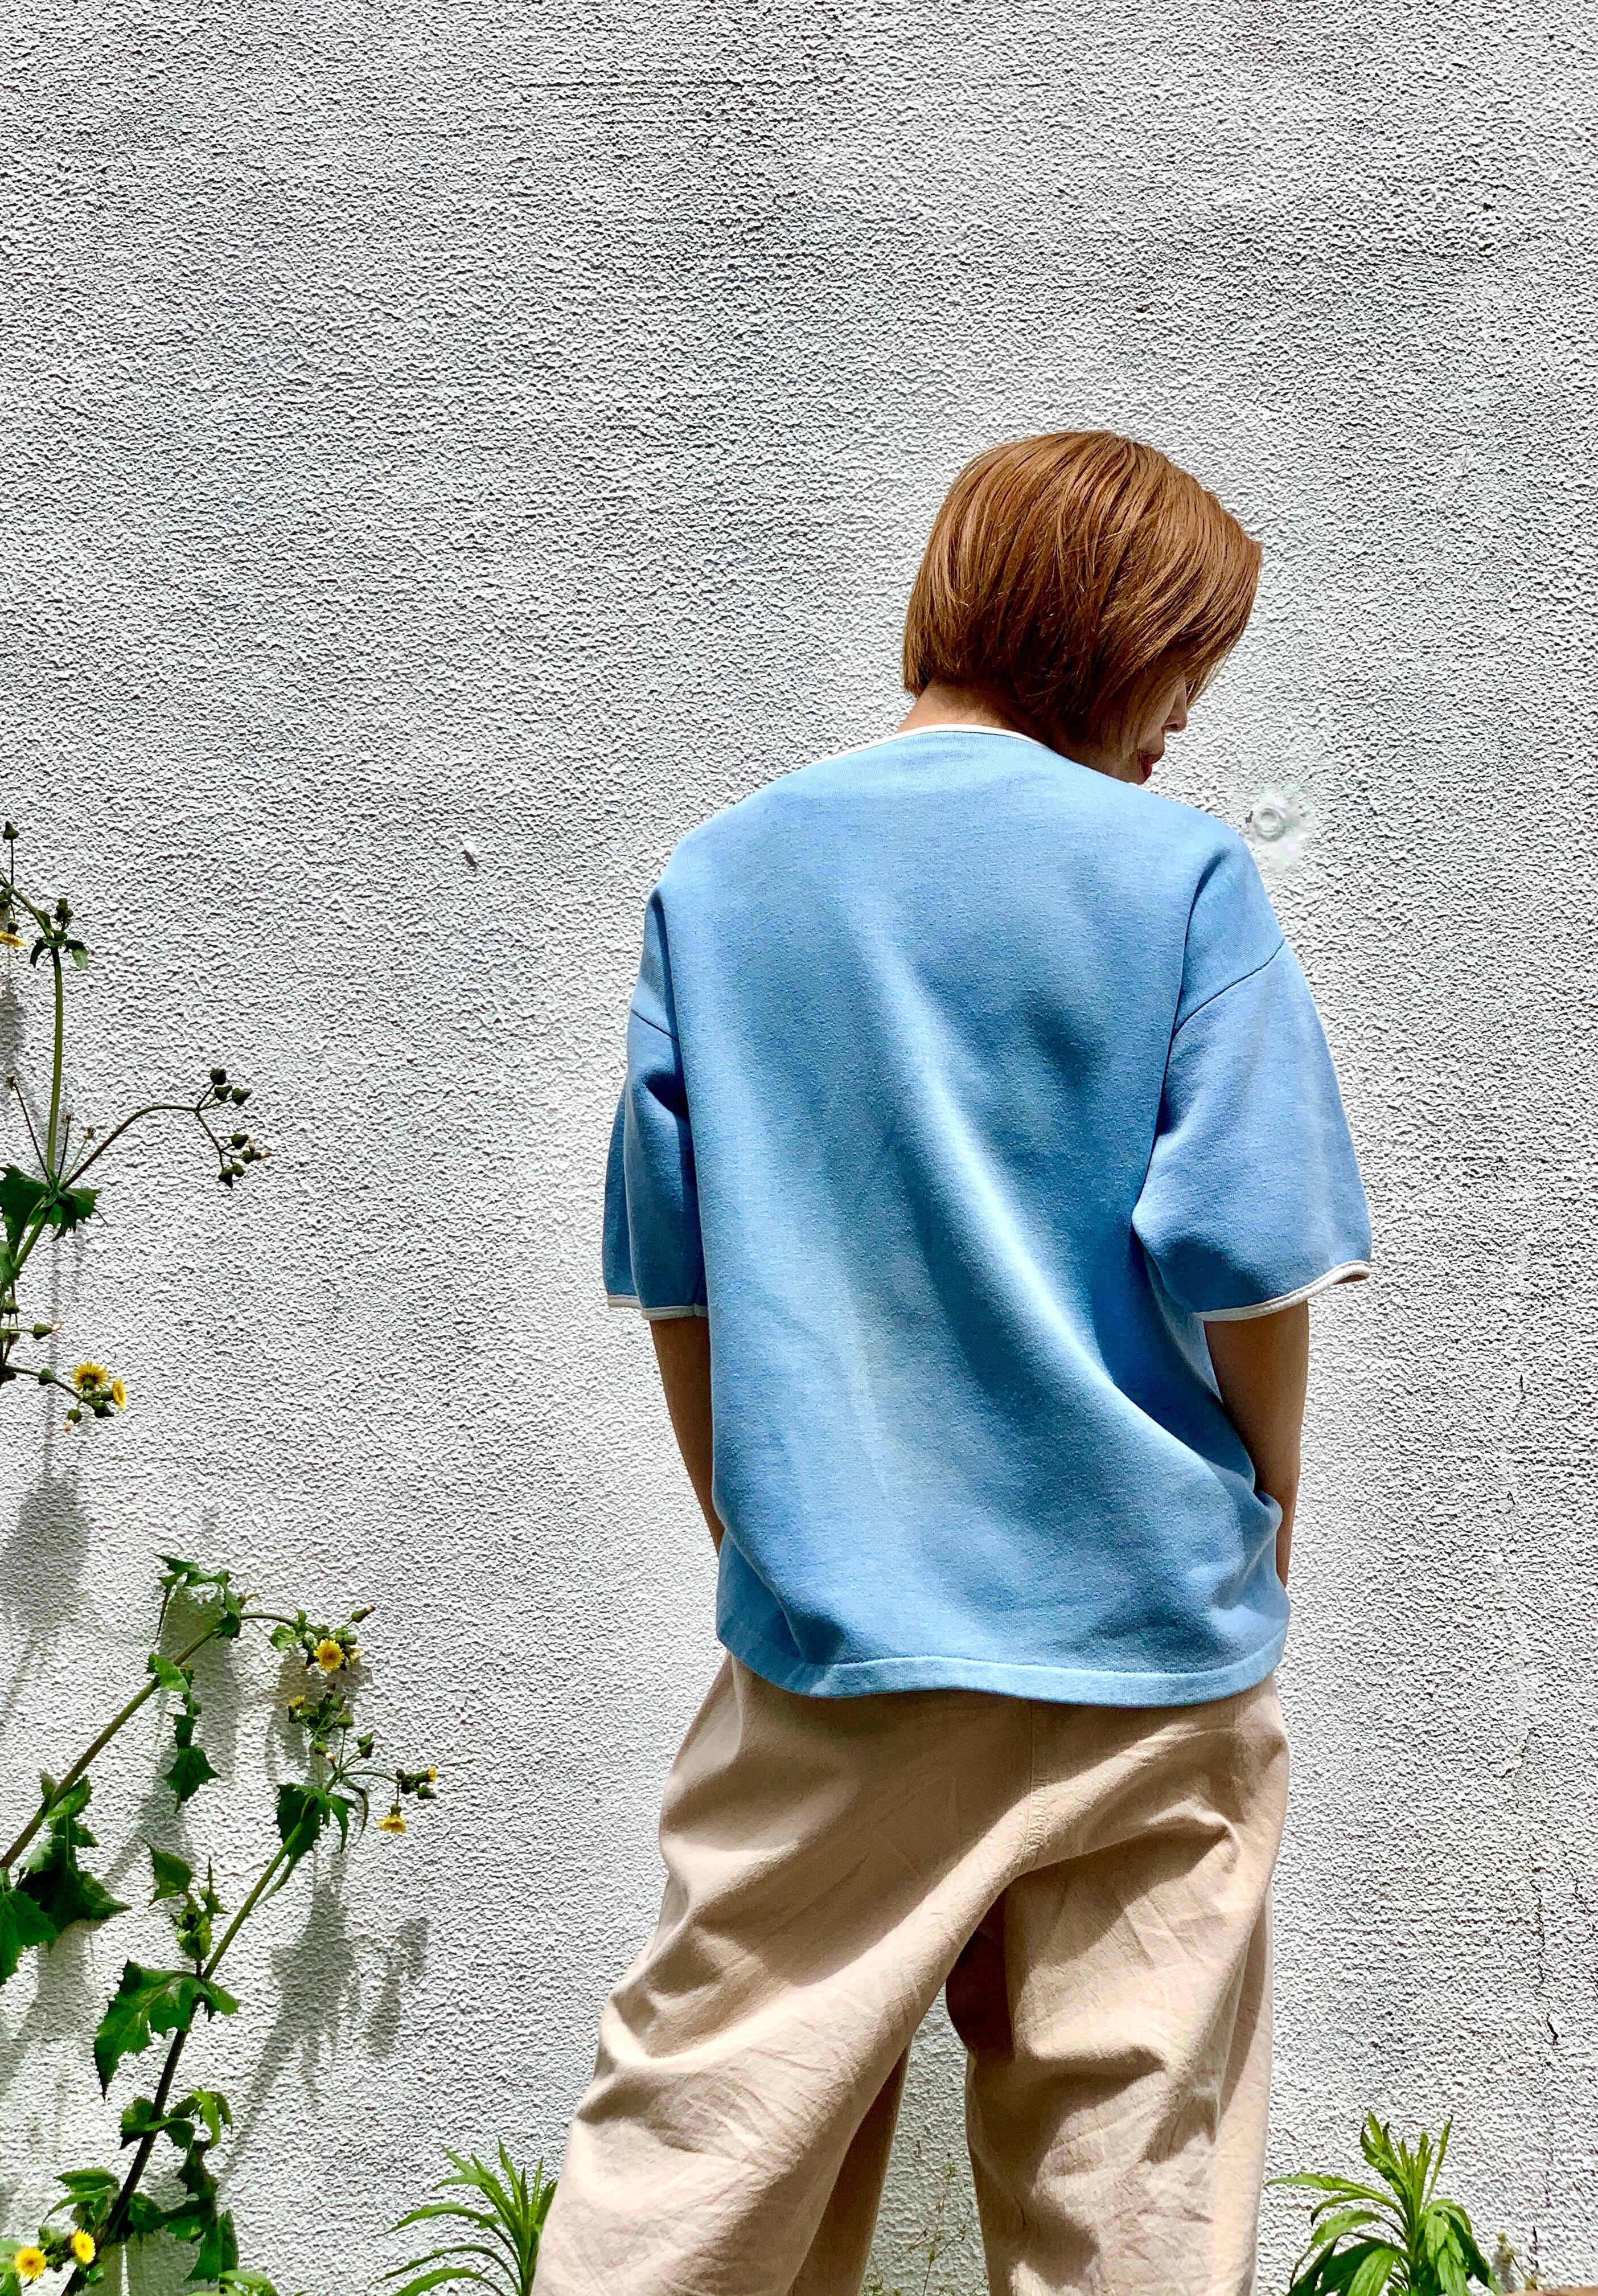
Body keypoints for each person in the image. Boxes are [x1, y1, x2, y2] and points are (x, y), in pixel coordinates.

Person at [537, 431, 1371, 2296]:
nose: (1186, 721)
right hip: (1149, 1638)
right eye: (1186, 666)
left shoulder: (724, 882)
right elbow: (1251, 1263)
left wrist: (768, 1537)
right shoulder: (1183, 881)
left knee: (695, 2169)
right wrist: (1268, 1512)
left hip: (845, 1643)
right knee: (1131, 2203)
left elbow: (685, 1291)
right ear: (1113, 632)